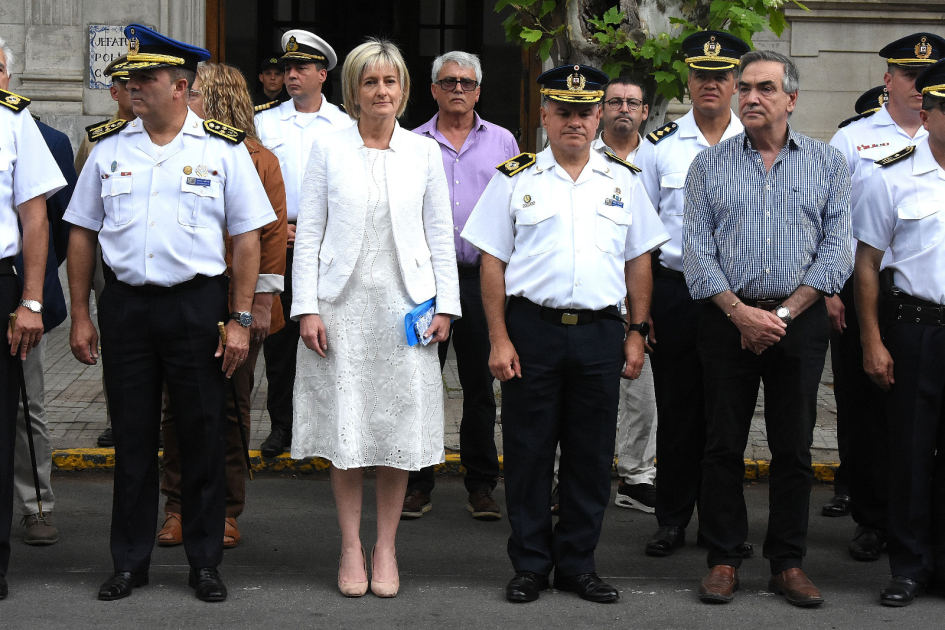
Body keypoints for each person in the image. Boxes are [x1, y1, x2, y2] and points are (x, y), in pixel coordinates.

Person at [64, 24, 276, 603]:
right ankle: (129, 562)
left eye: (147, 78)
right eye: (131, 78)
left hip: (197, 303)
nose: (134, 86)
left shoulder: (222, 149)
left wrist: (237, 317)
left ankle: (205, 562)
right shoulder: (107, 148)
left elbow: (249, 237)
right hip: (128, 306)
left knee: (203, 432)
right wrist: (82, 315)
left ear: (181, 86)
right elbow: (81, 234)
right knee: (132, 438)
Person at [462, 64, 669, 604]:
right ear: (545, 116)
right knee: (529, 453)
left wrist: (637, 330)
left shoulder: (623, 181)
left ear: (599, 115)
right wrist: (499, 338)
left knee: (592, 455)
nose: (575, 121)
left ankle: (577, 563)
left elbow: (639, 261)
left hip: (601, 332)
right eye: (564, 112)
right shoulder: (515, 177)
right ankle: (530, 563)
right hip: (533, 330)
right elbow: (492, 262)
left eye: (585, 112)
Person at [292, 38, 460, 599]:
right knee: (349, 428)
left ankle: (385, 546)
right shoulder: (328, 150)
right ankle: (348, 545)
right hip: (340, 311)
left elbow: (441, 236)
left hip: (406, 311)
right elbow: (308, 234)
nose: (381, 91)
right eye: (370, 82)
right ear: (354, 91)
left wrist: (447, 307)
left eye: (390, 82)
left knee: (396, 431)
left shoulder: (424, 153)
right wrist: (307, 307)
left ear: (404, 90)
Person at [684, 50, 852, 607]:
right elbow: (697, 254)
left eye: (765, 88)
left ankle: (788, 562)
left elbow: (837, 254)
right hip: (726, 319)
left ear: (792, 99)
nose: (751, 97)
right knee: (722, 444)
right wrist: (740, 313)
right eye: (745, 88)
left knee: (793, 448)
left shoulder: (828, 165)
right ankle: (725, 558)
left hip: (796, 323)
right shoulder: (709, 165)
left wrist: (778, 316)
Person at [157, 62, 288, 550]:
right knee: (175, 408)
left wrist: (252, 309)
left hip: (238, 306)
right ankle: (177, 507)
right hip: (190, 299)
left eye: (193, 96)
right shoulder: (177, 150)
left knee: (229, 409)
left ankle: (226, 510)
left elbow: (271, 240)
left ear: (216, 101)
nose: (183, 102)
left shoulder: (257, 159)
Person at [825, 33, 945, 563]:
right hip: (865, 288)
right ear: (889, 79)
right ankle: (873, 519)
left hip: (910, 294)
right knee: (866, 410)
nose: (920, 88)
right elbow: (829, 220)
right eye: (912, 77)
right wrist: (830, 288)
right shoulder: (854, 138)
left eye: (931, 80)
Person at [634, 30, 751, 552]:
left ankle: (722, 526)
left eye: (721, 76)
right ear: (688, 79)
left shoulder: (755, 142)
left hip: (740, 298)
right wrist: (641, 309)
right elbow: (640, 235)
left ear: (734, 82)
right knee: (678, 409)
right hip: (677, 292)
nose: (710, 84)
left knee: (729, 413)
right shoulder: (659, 148)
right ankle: (672, 518)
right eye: (701, 76)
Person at [406, 51, 518, 521]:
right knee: (419, 383)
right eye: (448, 81)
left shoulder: (504, 141)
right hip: (424, 285)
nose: (458, 89)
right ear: (432, 89)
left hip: (481, 280)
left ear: (478, 90)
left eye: (467, 82)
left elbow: (517, 209)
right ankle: (416, 483)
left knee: (478, 386)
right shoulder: (411, 143)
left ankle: (480, 485)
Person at [853, 58, 945, 607]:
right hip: (916, 329)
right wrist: (872, 340)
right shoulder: (892, 174)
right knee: (910, 452)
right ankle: (909, 567)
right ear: (926, 113)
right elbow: (867, 263)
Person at [255, 29, 354, 458]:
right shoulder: (264, 122)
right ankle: (283, 427)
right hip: (280, 242)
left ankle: (325, 428)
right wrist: (277, 228)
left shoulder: (345, 124)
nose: (290, 75)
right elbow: (253, 184)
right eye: (286, 68)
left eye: (300, 68)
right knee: (279, 342)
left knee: (326, 339)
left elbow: (351, 189)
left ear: (322, 74)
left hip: (328, 245)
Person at [0, 38, 77, 547]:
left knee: (26, 405)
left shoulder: (38, 134)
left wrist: (32, 297)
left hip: (15, 290)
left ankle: (36, 504)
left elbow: (52, 225)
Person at [594, 75, 658, 513]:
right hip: (593, 292)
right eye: (614, 101)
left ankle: (635, 477)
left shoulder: (659, 158)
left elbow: (649, 244)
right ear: (601, 109)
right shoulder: (577, 151)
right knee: (584, 396)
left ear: (645, 112)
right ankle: (567, 477)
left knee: (641, 393)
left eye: (631, 103)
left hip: (640, 292)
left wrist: (647, 309)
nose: (623, 109)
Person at [73, 59, 135, 449]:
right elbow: (83, 213)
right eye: (129, 85)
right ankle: (118, 415)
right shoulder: (96, 141)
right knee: (115, 342)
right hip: (107, 260)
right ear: (114, 92)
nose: (137, 90)